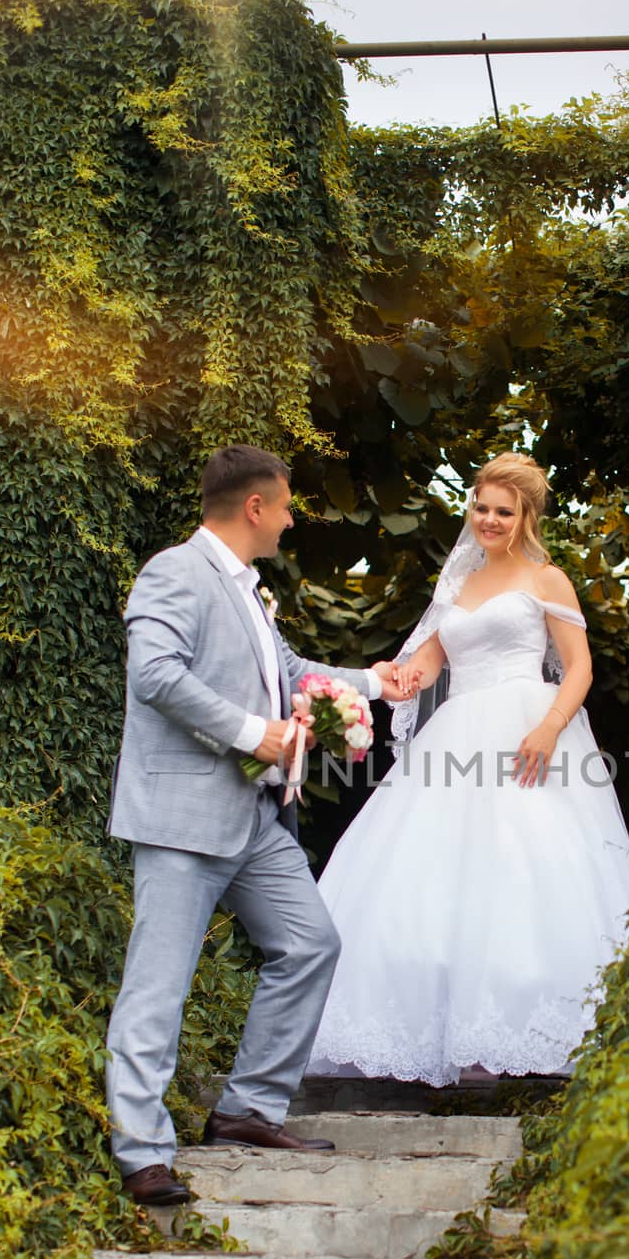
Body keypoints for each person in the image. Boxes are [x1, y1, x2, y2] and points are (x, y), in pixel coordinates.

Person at [106, 444, 404, 1206]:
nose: (294, 517)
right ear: (254, 507)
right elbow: (155, 674)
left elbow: (290, 668)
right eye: (288, 504)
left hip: (255, 817)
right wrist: (253, 733)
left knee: (310, 943)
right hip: (183, 817)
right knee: (158, 986)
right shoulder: (174, 571)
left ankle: (247, 1110)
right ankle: (141, 1154)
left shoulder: (248, 589)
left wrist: (376, 682)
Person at [306, 452, 629, 1088]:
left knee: (531, 870)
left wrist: (548, 728)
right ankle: (447, 1032)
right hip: (458, 730)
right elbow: (431, 662)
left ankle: (533, 1033)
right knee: (434, 873)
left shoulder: (548, 581)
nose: (489, 520)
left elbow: (579, 668)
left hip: (527, 728)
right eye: (482, 508)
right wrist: (397, 679)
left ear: (525, 516)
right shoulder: (457, 585)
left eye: (503, 511)